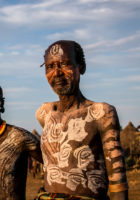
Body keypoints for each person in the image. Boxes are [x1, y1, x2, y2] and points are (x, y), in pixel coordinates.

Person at [35, 40, 128, 200]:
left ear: (81, 67)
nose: (56, 73)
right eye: (50, 66)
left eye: (64, 64)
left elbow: (117, 178)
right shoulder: (45, 113)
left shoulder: (100, 113)